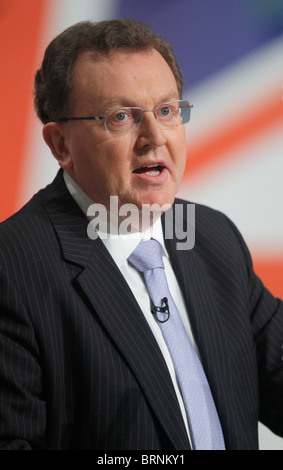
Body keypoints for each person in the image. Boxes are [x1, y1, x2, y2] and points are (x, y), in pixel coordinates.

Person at [0, 18, 283, 451]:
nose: (154, 138)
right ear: (60, 145)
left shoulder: (211, 237)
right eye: (121, 118)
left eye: (167, 111)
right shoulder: (12, 268)